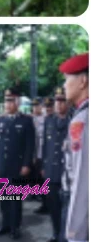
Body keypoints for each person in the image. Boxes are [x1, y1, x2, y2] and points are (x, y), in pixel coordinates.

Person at [0, 89, 35, 240]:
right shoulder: (0, 120)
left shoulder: (26, 121)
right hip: (3, 165)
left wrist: (26, 164)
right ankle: (5, 224)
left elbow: (30, 145)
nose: (7, 104)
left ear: (17, 102)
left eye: (10, 101)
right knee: (3, 197)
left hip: (17, 165)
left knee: (15, 199)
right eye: (6, 101)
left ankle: (15, 227)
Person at [59, 52, 88, 242]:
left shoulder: (83, 120)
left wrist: (75, 233)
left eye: (67, 79)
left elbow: (83, 181)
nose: (64, 85)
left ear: (83, 81)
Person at [42, 89, 70, 242]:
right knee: (53, 206)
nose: (59, 104)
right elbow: (45, 146)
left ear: (68, 102)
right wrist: (43, 166)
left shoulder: (74, 120)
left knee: (67, 208)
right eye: (57, 100)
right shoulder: (49, 120)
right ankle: (56, 233)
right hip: (51, 171)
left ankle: (65, 237)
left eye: (62, 100)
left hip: (67, 172)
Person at [31, 98, 47, 214]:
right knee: (36, 178)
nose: (36, 108)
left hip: (43, 154)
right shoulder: (30, 119)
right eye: (34, 106)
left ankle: (46, 203)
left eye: (38, 106)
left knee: (44, 179)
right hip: (34, 154)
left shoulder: (46, 119)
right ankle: (38, 197)